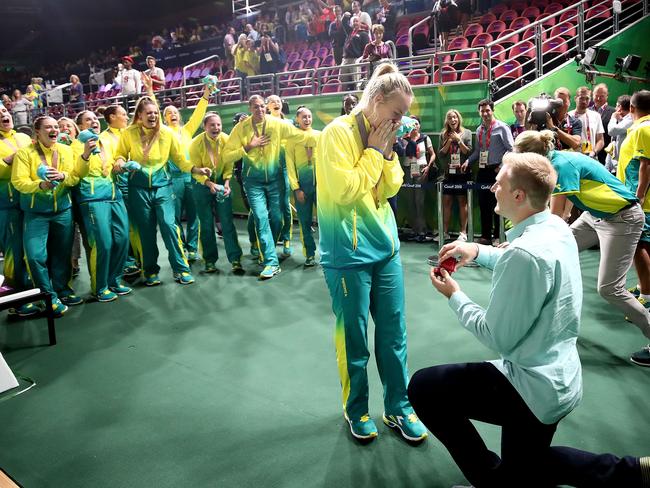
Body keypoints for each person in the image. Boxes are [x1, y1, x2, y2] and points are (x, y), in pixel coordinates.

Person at [411, 151, 650, 488]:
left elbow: (498, 337)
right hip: (561, 377)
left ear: (518, 195)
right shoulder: (555, 226)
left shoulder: (524, 253)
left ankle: (493, 480)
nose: (493, 186)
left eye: (500, 182)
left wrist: (454, 295)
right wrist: (478, 251)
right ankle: (632, 471)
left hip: (531, 386)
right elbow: (521, 259)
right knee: (527, 467)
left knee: (424, 387)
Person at [316, 62, 427, 442]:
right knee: (354, 338)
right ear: (376, 101)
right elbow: (345, 189)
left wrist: (388, 153)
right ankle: (357, 409)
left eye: (403, 115)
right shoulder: (335, 135)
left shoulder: (385, 136)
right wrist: (375, 154)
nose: (400, 120)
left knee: (394, 333)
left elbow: (391, 188)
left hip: (386, 249)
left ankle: (399, 407)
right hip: (346, 254)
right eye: (396, 113)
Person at [514, 130, 650, 367]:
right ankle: (552, 320)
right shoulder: (551, 164)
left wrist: (524, 237)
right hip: (594, 215)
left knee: (609, 288)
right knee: (554, 252)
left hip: (622, 218)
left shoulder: (561, 166)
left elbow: (555, 217)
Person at [113, 96, 211, 286]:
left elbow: (180, 159)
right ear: (140, 115)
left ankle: (181, 269)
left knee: (169, 226)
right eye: (148, 113)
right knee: (146, 231)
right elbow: (119, 155)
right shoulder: (129, 133)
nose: (153, 116)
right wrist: (120, 163)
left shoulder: (167, 133)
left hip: (163, 187)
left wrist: (196, 169)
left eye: (155, 113)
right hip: (138, 189)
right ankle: (150, 271)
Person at [222, 95, 315, 280]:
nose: (260, 110)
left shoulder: (276, 124)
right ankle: (271, 262)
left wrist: (322, 137)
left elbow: (299, 135)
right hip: (253, 182)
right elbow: (226, 156)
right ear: (250, 108)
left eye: (262, 106)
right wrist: (248, 147)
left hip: (275, 180)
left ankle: (267, 249)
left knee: (277, 219)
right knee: (261, 218)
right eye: (256, 107)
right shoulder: (241, 128)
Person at [12, 116, 84, 317]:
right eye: (48, 127)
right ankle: (48, 296)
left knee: (62, 254)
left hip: (62, 211)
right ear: (37, 131)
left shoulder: (66, 150)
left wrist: (63, 177)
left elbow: (75, 176)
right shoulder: (25, 154)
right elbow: (19, 181)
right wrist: (40, 185)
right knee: (35, 256)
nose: (54, 130)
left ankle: (62, 289)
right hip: (36, 214)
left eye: (55, 127)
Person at [71, 110, 131, 302]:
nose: (93, 121)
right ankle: (100, 286)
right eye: (88, 119)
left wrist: (121, 165)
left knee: (122, 239)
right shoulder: (74, 146)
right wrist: (85, 154)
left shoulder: (106, 141)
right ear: (80, 127)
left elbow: (115, 161)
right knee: (102, 243)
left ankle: (114, 279)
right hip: (92, 198)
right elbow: (76, 173)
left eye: (95, 119)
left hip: (114, 195)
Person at [616, 89, 650, 367]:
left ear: (633, 107)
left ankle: (647, 295)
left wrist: (637, 198)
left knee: (639, 247)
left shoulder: (643, 129)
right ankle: (644, 287)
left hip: (642, 203)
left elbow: (645, 167)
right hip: (641, 200)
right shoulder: (641, 126)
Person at [189, 112, 244, 274]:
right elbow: (195, 170)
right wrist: (208, 183)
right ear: (204, 127)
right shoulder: (195, 144)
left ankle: (235, 259)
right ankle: (209, 260)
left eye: (218, 124)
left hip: (221, 182)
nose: (216, 128)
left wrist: (226, 183)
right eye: (212, 125)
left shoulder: (226, 139)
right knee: (206, 224)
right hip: (201, 185)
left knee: (227, 222)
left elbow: (229, 163)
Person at [162, 84, 212, 262]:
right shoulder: (163, 133)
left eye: (175, 112)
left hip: (191, 177)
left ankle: (192, 248)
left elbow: (199, 114)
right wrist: (151, 92)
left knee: (194, 215)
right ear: (164, 118)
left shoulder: (187, 130)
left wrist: (206, 94)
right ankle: (180, 246)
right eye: (168, 112)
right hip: (173, 180)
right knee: (174, 217)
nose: (173, 114)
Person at [0, 105, 39, 317]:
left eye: (5, 111)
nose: (4, 115)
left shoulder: (23, 138)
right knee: (13, 253)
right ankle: (16, 301)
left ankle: (32, 292)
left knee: (30, 252)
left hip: (29, 203)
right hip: (6, 206)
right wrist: (12, 158)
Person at [466, 99, 514, 245]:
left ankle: (498, 235)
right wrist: (468, 161)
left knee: (498, 203)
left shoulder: (502, 127)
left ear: (492, 110)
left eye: (488, 110)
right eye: (482, 111)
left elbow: (512, 149)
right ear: (479, 112)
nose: (485, 113)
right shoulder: (479, 130)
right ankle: (486, 236)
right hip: (482, 171)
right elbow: (478, 151)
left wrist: (501, 165)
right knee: (484, 204)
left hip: (497, 171)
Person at [101, 104, 140, 277]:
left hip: (137, 183)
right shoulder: (104, 138)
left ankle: (140, 258)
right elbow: (111, 165)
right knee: (124, 226)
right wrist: (121, 166)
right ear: (112, 118)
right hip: (119, 186)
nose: (126, 117)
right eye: (123, 114)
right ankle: (127, 261)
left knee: (139, 224)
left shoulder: (131, 133)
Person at [285, 106, 321, 266]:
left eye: (309, 116)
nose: (307, 119)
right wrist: (296, 188)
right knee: (305, 223)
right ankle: (310, 254)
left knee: (326, 223)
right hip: (302, 188)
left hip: (321, 187)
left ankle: (328, 253)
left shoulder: (320, 136)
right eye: (304, 117)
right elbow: (290, 166)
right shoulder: (292, 139)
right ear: (297, 119)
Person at [439, 108, 472, 242]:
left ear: (458, 119)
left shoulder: (467, 133)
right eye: (450, 118)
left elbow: (468, 152)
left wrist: (458, 140)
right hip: (448, 174)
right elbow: (441, 154)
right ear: (447, 121)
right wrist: (448, 141)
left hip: (462, 173)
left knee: (462, 201)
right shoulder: (443, 134)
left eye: (455, 117)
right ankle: (445, 232)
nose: (453, 120)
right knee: (446, 201)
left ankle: (463, 232)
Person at [267, 94, 294, 258]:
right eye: (272, 102)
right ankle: (268, 239)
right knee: (271, 209)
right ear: (267, 106)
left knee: (285, 205)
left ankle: (286, 239)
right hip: (268, 169)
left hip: (284, 169)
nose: (276, 104)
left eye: (278, 101)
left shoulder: (289, 123)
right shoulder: (264, 122)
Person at [402, 115, 436, 242]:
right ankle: (414, 229)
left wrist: (428, 166)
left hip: (421, 170)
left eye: (416, 123)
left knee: (419, 201)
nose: (414, 126)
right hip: (407, 170)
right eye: (411, 124)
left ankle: (422, 230)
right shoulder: (403, 138)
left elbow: (433, 155)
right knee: (410, 201)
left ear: (419, 125)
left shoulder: (425, 138)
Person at [570, 86, 604, 159]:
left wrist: (594, 152)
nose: (584, 101)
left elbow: (601, 140)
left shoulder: (596, 116)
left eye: (587, 98)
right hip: (573, 158)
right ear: (575, 98)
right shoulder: (568, 116)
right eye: (581, 98)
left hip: (590, 157)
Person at [341, 15, 370, 91]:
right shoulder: (350, 33)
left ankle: (358, 95)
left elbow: (366, 48)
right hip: (345, 59)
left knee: (357, 81)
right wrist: (345, 16)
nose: (355, 23)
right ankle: (343, 97)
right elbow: (343, 23)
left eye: (357, 21)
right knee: (342, 81)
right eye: (353, 21)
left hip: (355, 60)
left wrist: (361, 59)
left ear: (360, 23)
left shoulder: (363, 34)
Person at [606, 94, 633, 174]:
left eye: (616, 106)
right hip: (616, 161)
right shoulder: (624, 120)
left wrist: (613, 118)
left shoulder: (631, 119)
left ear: (619, 107)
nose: (615, 109)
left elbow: (612, 131)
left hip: (624, 163)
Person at [549, 87, 582, 151]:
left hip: (567, 159)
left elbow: (576, 143)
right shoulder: (547, 118)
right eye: (558, 101)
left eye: (564, 101)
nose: (561, 104)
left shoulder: (575, 122)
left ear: (569, 102)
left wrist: (553, 128)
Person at [591, 83, 615, 166]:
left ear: (607, 96)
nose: (598, 98)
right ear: (592, 95)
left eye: (602, 96)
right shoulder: (586, 111)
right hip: (587, 153)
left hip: (605, 156)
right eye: (596, 95)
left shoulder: (614, 112)